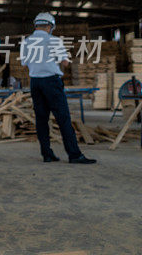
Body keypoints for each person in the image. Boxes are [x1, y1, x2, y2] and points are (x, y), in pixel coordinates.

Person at [20, 12, 96, 164]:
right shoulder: (54, 41)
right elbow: (66, 62)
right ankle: (74, 155)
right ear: (49, 26)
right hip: (51, 82)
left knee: (41, 119)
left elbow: (24, 63)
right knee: (63, 118)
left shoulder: (27, 41)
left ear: (36, 25)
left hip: (35, 82)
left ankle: (47, 154)